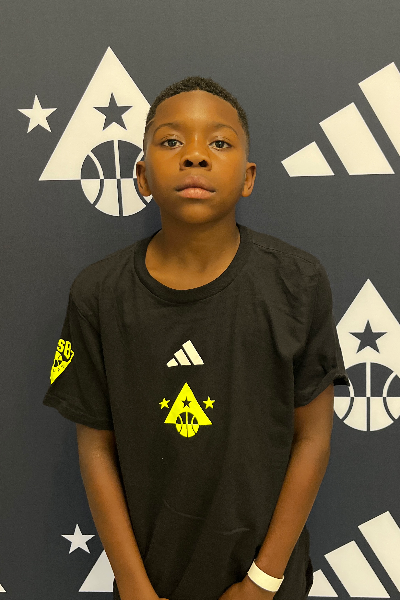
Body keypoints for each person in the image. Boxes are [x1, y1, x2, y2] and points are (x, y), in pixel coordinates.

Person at [43, 76, 349, 600]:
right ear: (142, 175)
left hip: (267, 583)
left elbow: (314, 438)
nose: (195, 155)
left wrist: (262, 581)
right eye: (171, 141)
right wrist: (134, 587)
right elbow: (95, 447)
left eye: (220, 142)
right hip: (150, 583)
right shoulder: (98, 294)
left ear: (248, 177)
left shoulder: (298, 283)